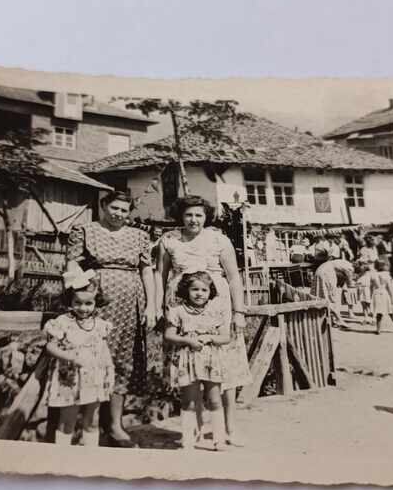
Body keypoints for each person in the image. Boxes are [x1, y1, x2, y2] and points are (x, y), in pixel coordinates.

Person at [159, 196, 252, 449]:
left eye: (199, 215)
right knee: (189, 371)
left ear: (206, 217)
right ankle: (197, 430)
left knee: (225, 371)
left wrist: (239, 312)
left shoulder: (220, 240)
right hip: (182, 311)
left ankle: (229, 429)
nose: (193, 220)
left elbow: (234, 278)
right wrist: (158, 308)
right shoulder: (169, 240)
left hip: (217, 308)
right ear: (181, 215)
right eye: (189, 214)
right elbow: (161, 275)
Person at [65, 191, 157, 448]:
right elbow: (72, 264)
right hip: (95, 304)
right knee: (92, 356)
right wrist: (81, 292)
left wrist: (151, 305)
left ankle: (115, 425)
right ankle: (87, 424)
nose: (119, 214)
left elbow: (147, 270)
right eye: (114, 208)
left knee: (123, 360)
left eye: (124, 210)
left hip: (131, 304)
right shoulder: (85, 231)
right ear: (104, 206)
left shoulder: (139, 235)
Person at [43, 266, 114, 447]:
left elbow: (104, 350)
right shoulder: (62, 323)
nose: (83, 308)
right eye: (78, 303)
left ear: (96, 302)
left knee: (92, 420)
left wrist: (110, 370)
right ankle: (62, 458)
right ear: (70, 301)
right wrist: (68, 356)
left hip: (95, 378)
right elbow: (50, 346)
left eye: (88, 303)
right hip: (70, 379)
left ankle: (90, 457)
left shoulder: (100, 325)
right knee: (68, 421)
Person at [163, 272, 234, 451]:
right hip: (187, 361)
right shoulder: (178, 310)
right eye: (195, 289)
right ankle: (188, 438)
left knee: (215, 399)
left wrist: (210, 337)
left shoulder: (215, 310)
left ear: (210, 292)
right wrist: (187, 340)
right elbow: (169, 335)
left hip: (211, 360)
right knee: (189, 401)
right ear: (186, 290)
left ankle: (219, 439)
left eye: (204, 290)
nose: (199, 294)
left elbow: (226, 337)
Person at [312, 249, 355, 328]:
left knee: (322, 295)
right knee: (331, 297)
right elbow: (349, 280)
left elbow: (341, 278)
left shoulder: (340, 263)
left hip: (320, 271)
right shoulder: (350, 267)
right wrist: (351, 284)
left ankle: (332, 319)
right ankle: (338, 319)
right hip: (327, 273)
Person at [371, 259, 393, 334]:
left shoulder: (374, 274)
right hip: (384, 293)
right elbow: (389, 288)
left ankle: (378, 330)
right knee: (391, 312)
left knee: (379, 313)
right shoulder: (386, 275)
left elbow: (372, 286)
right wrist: (392, 298)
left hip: (376, 293)